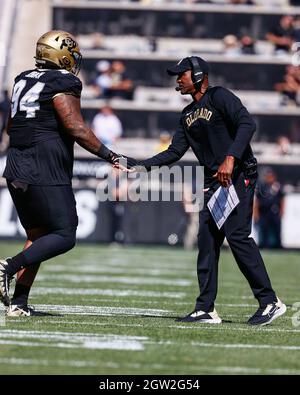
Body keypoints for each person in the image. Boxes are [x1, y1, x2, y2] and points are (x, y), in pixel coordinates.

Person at [131, 56, 286, 326]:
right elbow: (174, 152)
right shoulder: (187, 114)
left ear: (199, 75)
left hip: (237, 175)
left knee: (237, 236)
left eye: (182, 74)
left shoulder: (219, 96)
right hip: (214, 183)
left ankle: (270, 301)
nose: (177, 79)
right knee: (207, 242)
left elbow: (247, 124)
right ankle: (205, 308)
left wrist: (230, 158)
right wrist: (140, 166)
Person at [0, 30, 131, 316]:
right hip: (44, 165)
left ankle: (19, 303)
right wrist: (110, 155)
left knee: (38, 235)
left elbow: (10, 127)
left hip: (16, 165)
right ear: (60, 54)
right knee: (64, 234)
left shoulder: (22, 79)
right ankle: (7, 268)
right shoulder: (64, 81)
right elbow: (75, 126)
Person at [254, 168, 285, 249]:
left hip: (274, 212)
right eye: (267, 177)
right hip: (264, 212)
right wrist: (256, 213)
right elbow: (257, 201)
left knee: (277, 229)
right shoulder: (262, 187)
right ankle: (264, 244)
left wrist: (282, 211)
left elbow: (282, 199)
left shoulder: (278, 186)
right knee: (264, 229)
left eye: (270, 176)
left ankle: (278, 245)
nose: (269, 178)